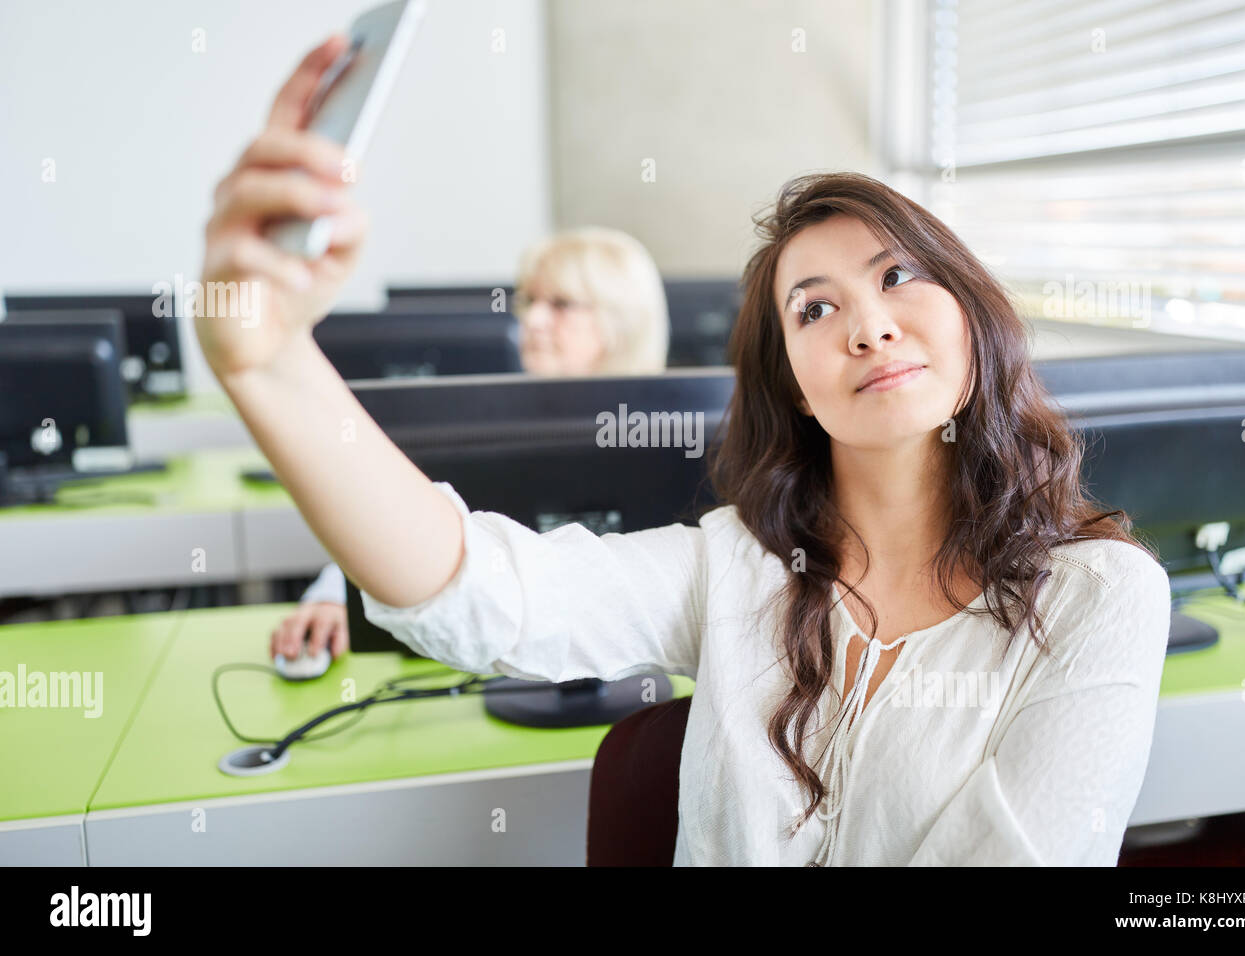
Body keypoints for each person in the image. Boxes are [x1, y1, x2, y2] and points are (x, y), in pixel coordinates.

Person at [197, 36, 1171, 866]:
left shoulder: (1096, 594)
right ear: (790, 380)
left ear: (971, 314)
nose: (868, 326)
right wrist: (270, 365)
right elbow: (477, 585)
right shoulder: (735, 570)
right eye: (816, 308)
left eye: (899, 276)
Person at [274, 224, 669, 662]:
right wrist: (336, 594)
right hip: (480, 667)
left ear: (621, 320)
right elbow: (404, 516)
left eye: (560, 304)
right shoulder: (481, 420)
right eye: (529, 301)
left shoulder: (666, 432)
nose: (532, 320)